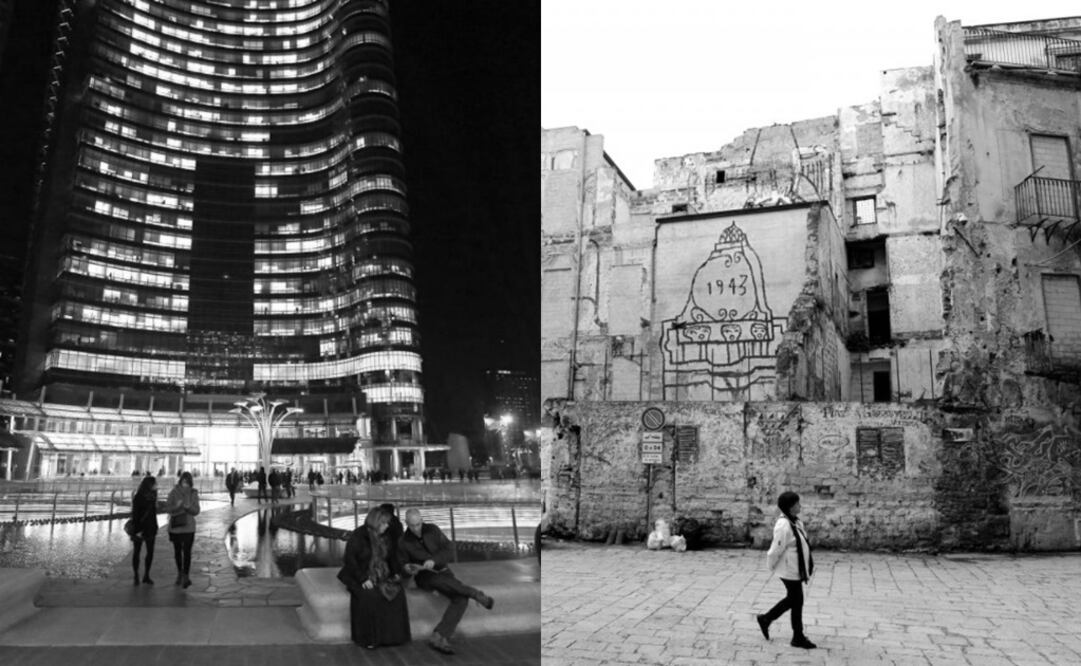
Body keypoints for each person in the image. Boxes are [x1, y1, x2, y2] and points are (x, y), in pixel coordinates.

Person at [399, 508, 494, 655]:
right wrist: (408, 568)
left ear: (422, 521)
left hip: (443, 570)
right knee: (443, 582)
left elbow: (449, 549)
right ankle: (475, 593)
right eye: (412, 525)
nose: (416, 528)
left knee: (461, 598)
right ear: (406, 523)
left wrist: (434, 560)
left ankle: (440, 635)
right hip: (425, 576)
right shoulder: (403, 542)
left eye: (418, 524)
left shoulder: (433, 530)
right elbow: (402, 567)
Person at [337, 507, 410, 649]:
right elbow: (350, 560)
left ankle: (393, 637)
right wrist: (363, 579)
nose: (386, 526)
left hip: (380, 573)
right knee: (370, 596)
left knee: (397, 594)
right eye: (383, 523)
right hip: (359, 574)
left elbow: (390, 557)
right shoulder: (359, 536)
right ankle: (369, 638)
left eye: (387, 523)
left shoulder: (386, 536)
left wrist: (395, 572)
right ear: (376, 522)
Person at [757, 491, 817, 649]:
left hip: (795, 569)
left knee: (795, 600)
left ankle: (767, 619)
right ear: (790, 507)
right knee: (796, 600)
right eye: (797, 503)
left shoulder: (795, 522)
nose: (800, 505)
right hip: (788, 570)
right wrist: (771, 565)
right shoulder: (783, 526)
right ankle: (797, 636)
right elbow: (775, 549)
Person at [165, 471, 201, 589]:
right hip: (176, 527)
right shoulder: (174, 492)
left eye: (188, 482)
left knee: (187, 552)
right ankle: (180, 573)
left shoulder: (193, 493)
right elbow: (168, 508)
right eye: (183, 481)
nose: (185, 484)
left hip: (189, 527)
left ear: (191, 482)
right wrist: (177, 506)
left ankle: (186, 576)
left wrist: (188, 507)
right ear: (180, 481)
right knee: (177, 551)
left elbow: (196, 511)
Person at [129, 475, 159, 585]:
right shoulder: (139, 497)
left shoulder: (153, 496)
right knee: (137, 551)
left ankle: (146, 575)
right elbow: (135, 514)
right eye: (154, 483)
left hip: (150, 527)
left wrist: (155, 526)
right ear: (149, 485)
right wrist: (136, 529)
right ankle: (136, 574)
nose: (156, 485)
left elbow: (153, 513)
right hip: (141, 528)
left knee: (150, 552)